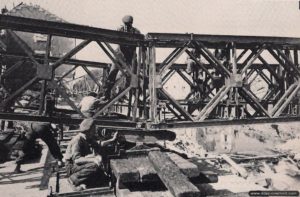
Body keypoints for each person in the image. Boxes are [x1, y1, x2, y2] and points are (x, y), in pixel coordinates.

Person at [64, 118, 118, 191]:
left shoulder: (87, 138)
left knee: (102, 177)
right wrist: (94, 159)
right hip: (71, 166)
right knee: (94, 166)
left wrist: (112, 140)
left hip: (79, 165)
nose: (95, 130)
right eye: (94, 129)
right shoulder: (77, 140)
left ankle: (83, 182)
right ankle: (73, 180)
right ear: (88, 130)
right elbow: (77, 159)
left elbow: (99, 144)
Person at [102, 15, 141, 101]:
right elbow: (115, 38)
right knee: (112, 73)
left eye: (129, 24)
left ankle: (136, 96)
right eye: (125, 24)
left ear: (131, 23)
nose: (127, 26)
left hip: (131, 56)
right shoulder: (119, 30)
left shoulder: (136, 32)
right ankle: (106, 93)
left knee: (135, 75)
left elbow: (141, 41)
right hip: (119, 55)